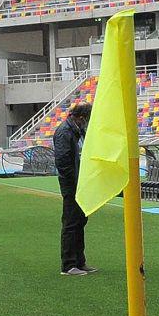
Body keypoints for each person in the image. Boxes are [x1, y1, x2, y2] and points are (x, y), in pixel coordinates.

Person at [54, 102, 96, 276]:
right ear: (80, 118)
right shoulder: (65, 132)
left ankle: (80, 261)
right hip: (72, 185)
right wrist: (75, 184)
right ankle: (69, 264)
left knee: (80, 222)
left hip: (80, 184)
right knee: (71, 223)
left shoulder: (77, 131)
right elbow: (63, 162)